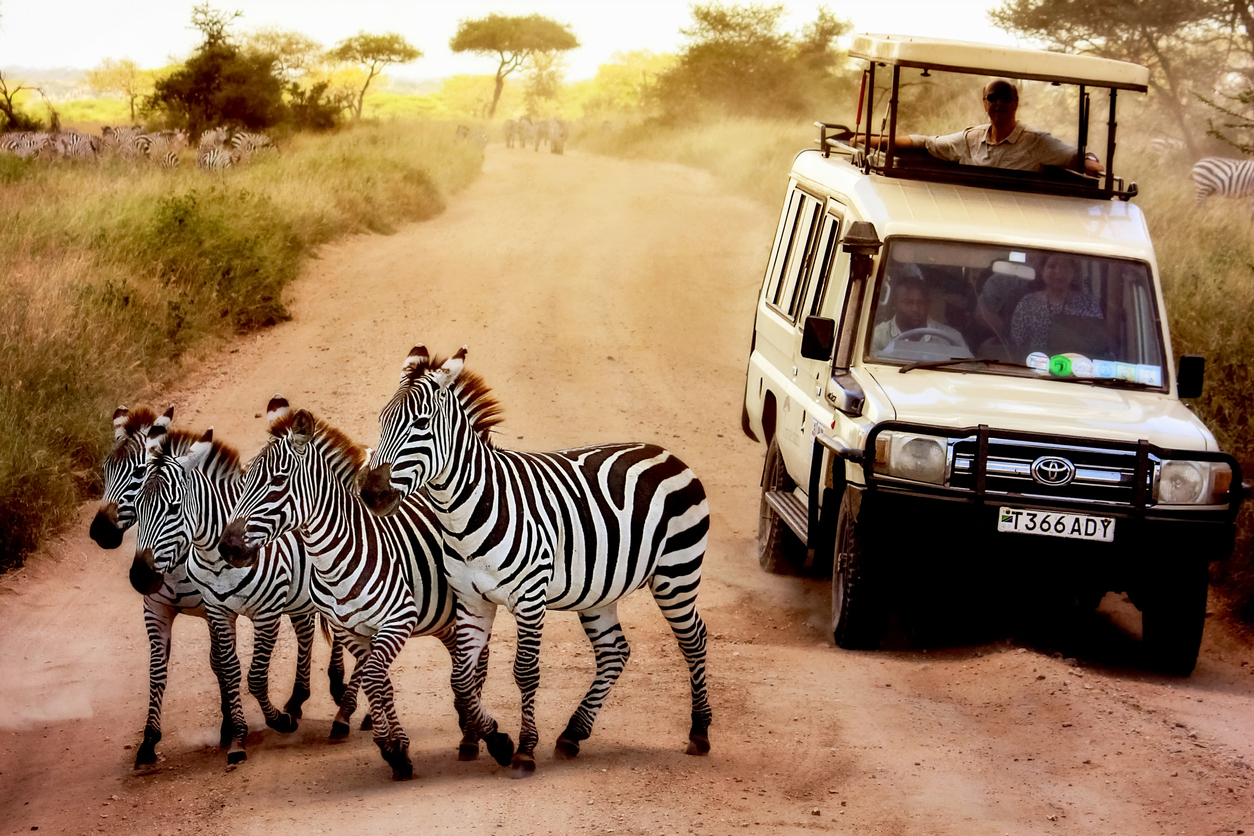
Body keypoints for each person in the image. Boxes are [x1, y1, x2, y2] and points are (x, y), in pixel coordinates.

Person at [862, 79, 1104, 175]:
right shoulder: (970, 139)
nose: (999, 104)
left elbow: (1077, 156)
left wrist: (1091, 163)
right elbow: (926, 142)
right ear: (984, 103)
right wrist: (869, 141)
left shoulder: (1036, 142)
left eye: (1005, 98)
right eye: (992, 98)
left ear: (1016, 103)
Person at [1009, 254, 1103, 353]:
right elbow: (1017, 344)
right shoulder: (1027, 303)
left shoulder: (1089, 303)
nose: (1058, 271)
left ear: (1073, 272)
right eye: (1052, 266)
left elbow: (1097, 343)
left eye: (1065, 266)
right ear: (1042, 271)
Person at [871, 267, 969, 354]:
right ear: (894, 305)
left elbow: (966, 368)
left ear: (928, 304)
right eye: (908, 303)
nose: (915, 309)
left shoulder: (951, 338)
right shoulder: (878, 336)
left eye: (921, 302)